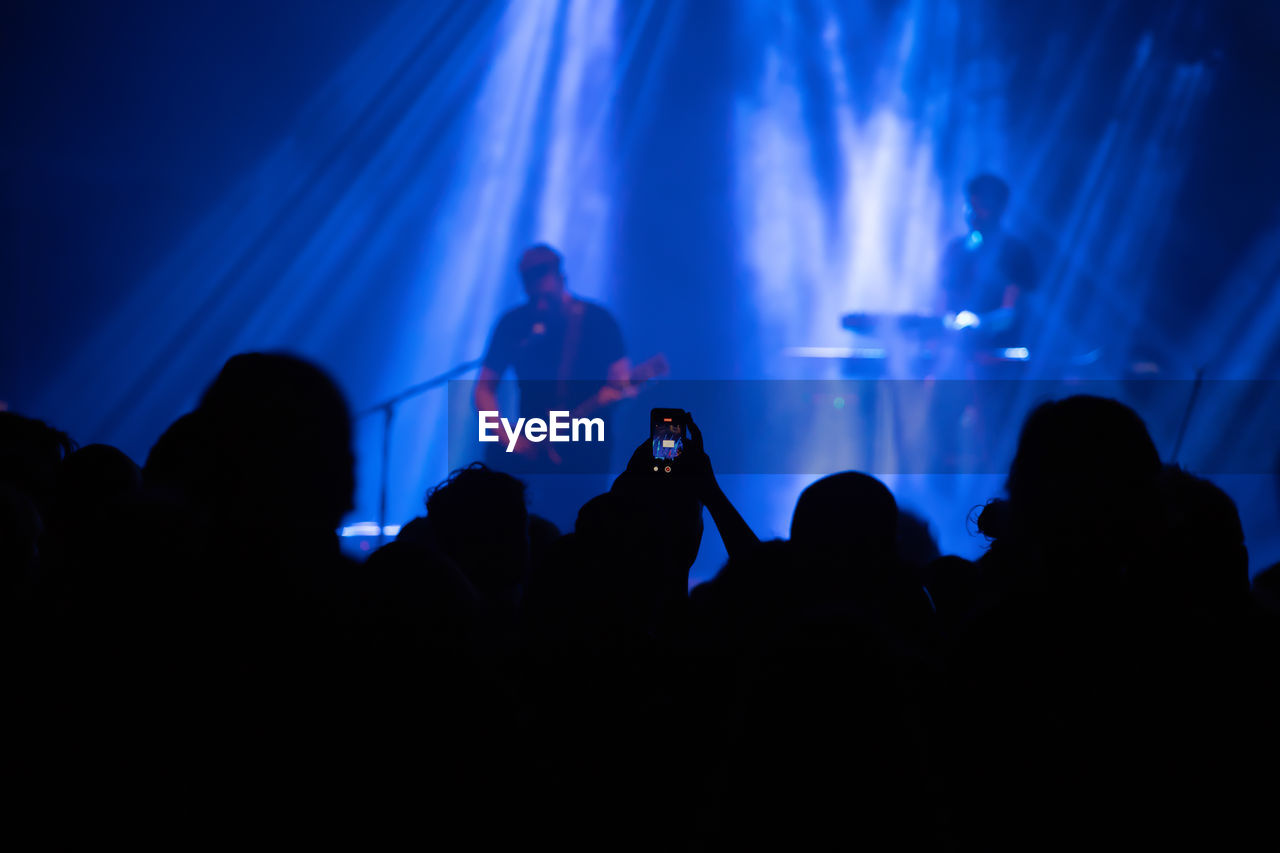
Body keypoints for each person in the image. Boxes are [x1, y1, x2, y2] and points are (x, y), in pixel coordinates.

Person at [473, 244, 630, 527]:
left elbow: (622, 380)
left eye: (543, 285)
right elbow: (483, 389)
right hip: (530, 452)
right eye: (530, 285)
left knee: (582, 530)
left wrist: (614, 396)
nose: (539, 300)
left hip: (586, 452)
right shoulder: (514, 324)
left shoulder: (597, 320)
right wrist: (508, 439)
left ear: (560, 277)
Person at [937, 173, 1037, 344]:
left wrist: (978, 323)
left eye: (981, 206)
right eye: (970, 204)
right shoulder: (955, 250)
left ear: (1000, 208)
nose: (972, 213)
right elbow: (945, 303)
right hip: (956, 353)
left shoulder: (1016, 252)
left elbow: (1013, 312)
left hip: (999, 352)